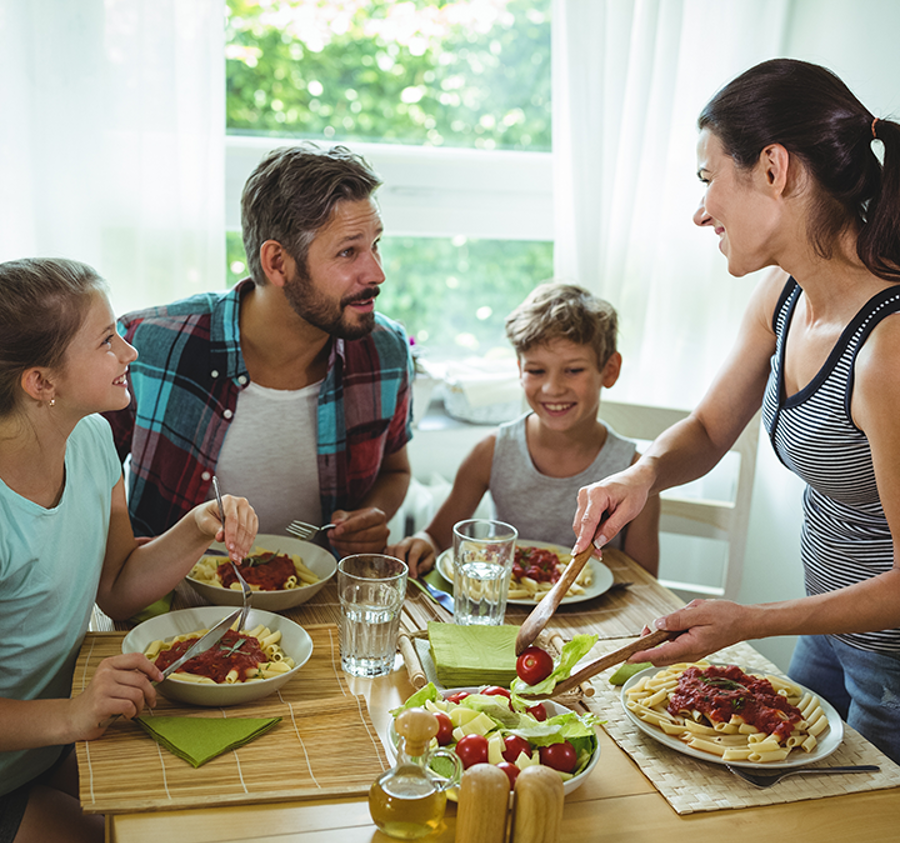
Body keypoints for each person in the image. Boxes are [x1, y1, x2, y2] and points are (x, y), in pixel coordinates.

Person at [571, 58, 900, 762]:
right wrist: (646, 471)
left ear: (774, 169)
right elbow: (711, 428)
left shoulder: (889, 349)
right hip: (829, 635)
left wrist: (751, 621)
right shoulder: (784, 295)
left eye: (707, 177)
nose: (700, 209)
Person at [0, 258, 258, 843]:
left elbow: (115, 585)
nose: (130, 348)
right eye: (105, 338)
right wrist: (73, 716)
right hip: (37, 742)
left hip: (42, 745)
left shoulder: (90, 437)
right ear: (40, 381)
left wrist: (197, 528)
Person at [104, 143, 414, 558]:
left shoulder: (385, 351)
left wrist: (370, 515)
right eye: (347, 251)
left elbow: (396, 470)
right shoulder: (146, 343)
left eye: (375, 244)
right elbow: (86, 479)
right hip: (170, 609)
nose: (377, 272)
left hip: (319, 603)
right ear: (277, 262)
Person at [388, 282, 660, 578]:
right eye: (536, 371)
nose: (552, 388)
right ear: (520, 370)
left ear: (609, 370)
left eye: (573, 370)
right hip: (507, 615)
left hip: (600, 620)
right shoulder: (492, 451)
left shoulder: (634, 473)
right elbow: (437, 539)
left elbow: (643, 582)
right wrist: (420, 544)